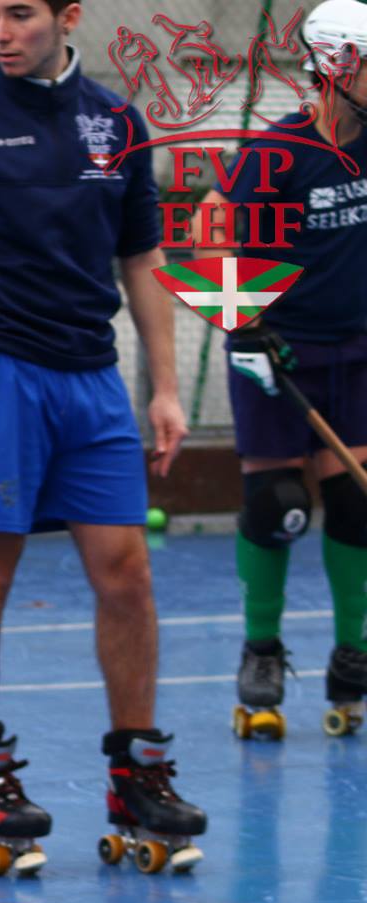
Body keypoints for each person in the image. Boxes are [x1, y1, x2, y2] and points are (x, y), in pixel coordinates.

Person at [0, 0, 205, 874]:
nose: (0, 31)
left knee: (126, 572)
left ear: (68, 17)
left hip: (91, 377)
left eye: (20, 13)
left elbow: (142, 260)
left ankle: (137, 772)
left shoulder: (118, 124)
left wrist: (166, 386)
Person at [204, 0, 367, 741]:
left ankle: (353, 653)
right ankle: (261, 650)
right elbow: (210, 227)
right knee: (277, 505)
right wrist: (242, 323)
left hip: (356, 351)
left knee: (356, 506)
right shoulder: (280, 150)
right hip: (279, 349)